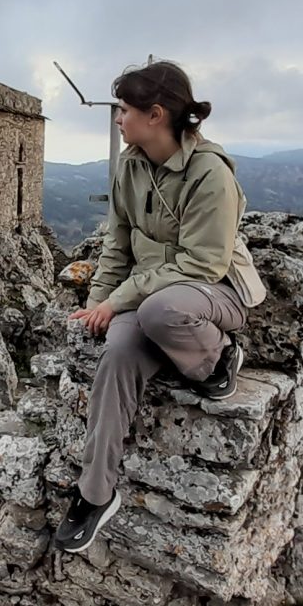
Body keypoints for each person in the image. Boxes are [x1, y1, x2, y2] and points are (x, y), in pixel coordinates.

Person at [52, 60, 268, 553]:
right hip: (150, 294)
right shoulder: (130, 167)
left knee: (160, 312)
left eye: (124, 109)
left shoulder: (210, 174)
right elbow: (117, 244)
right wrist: (97, 304)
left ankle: (219, 357)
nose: (117, 118)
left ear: (155, 115)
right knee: (117, 353)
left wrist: (119, 299)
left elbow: (204, 263)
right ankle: (95, 493)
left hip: (212, 295)